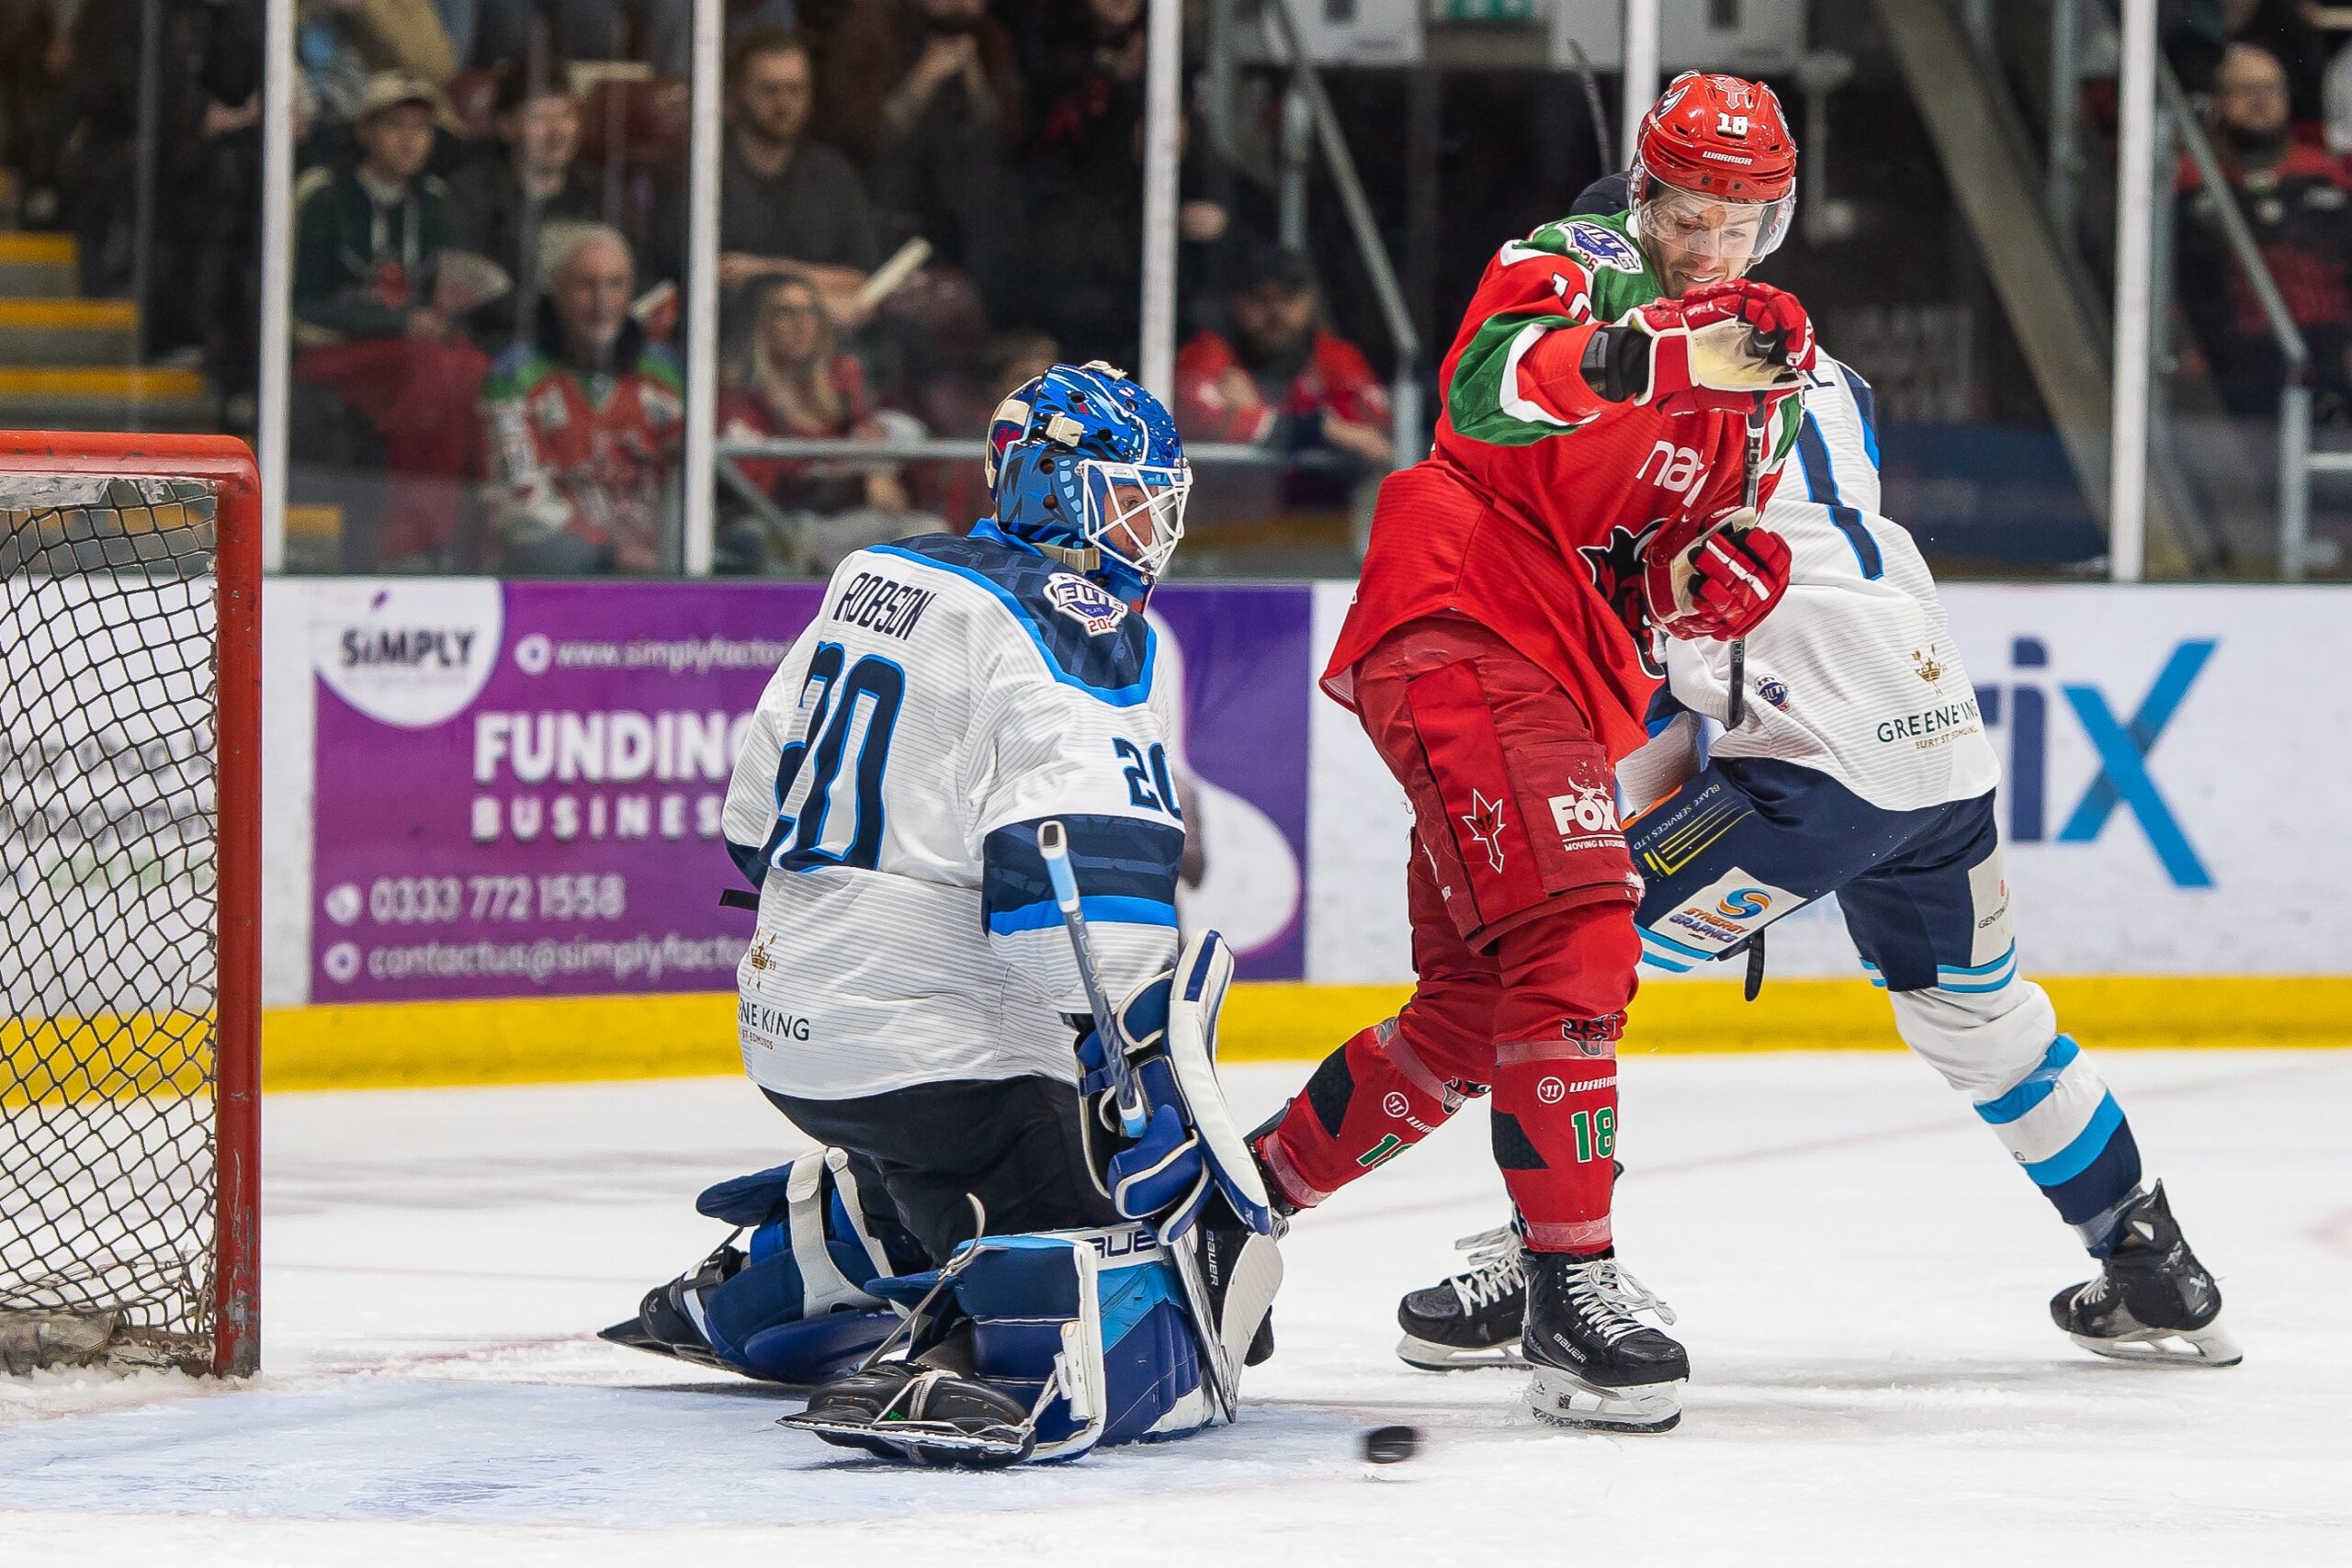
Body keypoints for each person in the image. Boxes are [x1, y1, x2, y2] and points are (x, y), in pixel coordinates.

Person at [1393, 348, 2239, 1379]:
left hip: (1812, 760)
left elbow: (1651, 617)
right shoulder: (1818, 364)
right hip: (1936, 734)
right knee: (1978, 1018)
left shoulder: (1623, 370)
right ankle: (2150, 1259)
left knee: (1558, 971)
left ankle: (1555, 1270)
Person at [1241, 73, 1814, 1436]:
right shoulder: (1571, 264)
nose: (1714, 245)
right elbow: (1491, 396)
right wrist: (1671, 344)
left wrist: (1711, 579)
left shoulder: (1772, 386)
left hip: (1565, 670)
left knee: (1470, 1008)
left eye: (1745, 222)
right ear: (1644, 193)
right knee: (1580, 929)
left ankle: (1219, 1214)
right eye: (1691, 210)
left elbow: (1669, 560)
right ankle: (1570, 1283)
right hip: (1467, 616)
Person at [602, 363, 1280, 1466]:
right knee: (1150, 1281)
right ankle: (974, 1356)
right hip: (931, 1051)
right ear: (1052, 490)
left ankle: (760, 1286)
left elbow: (750, 811)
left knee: (926, 1161)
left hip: (788, 1027)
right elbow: (1079, 894)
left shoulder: (877, 573)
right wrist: (1138, 1083)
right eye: (1127, 497)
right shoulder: (1081, 623)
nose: (1149, 530)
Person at [291, 69, 490, 566]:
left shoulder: (436, 203)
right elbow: (301, 305)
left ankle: (444, 533)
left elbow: (449, 291)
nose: (410, 139)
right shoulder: (324, 195)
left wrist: (445, 321)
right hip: (333, 353)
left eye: (421, 128)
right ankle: (417, 539)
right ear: (365, 131)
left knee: (472, 370)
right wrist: (399, 325)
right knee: (435, 372)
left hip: (412, 359)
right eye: (395, 125)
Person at [480, 222, 683, 571]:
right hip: (561, 561)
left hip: (655, 557)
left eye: (615, 285)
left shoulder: (663, 371)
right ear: (554, 290)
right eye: (586, 285)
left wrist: (664, 548)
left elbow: (686, 477)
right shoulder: (516, 374)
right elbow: (518, 494)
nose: (602, 302)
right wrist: (607, 550)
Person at [656, 28, 880, 329]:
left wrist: (761, 271)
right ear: (735, 93)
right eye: (769, 90)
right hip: (726, 334)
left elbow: (858, 278)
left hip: (820, 335)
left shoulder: (833, 173)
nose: (783, 104)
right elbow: (691, 272)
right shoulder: (702, 169)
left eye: (795, 90)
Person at [2177, 41, 2352, 420]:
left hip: (2330, 360)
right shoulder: (2191, 179)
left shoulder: (2325, 173)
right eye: (2245, 90)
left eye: (2271, 89)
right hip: (2231, 367)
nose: (2260, 100)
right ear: (2219, 101)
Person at [716, 272, 935, 571]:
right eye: (785, 312)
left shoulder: (839, 383)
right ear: (759, 323)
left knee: (927, 531)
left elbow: (869, 441)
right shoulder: (737, 397)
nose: (801, 323)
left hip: (838, 520)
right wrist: (851, 469)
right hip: (776, 522)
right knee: (785, 541)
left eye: (810, 312)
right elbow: (761, 488)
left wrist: (877, 468)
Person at [821, 0, 1022, 313]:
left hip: (970, 223)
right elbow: (859, 134)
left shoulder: (988, 37)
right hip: (888, 210)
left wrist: (973, 77)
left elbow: (1007, 134)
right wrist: (925, 78)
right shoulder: (873, 25)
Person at [1173, 245, 1394, 503]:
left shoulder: (1334, 357)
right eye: (1260, 299)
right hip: (1222, 524)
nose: (1275, 312)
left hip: (1319, 524)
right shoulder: (1207, 353)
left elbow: (1375, 438)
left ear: (1308, 301)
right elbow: (1196, 419)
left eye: (1288, 298)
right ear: (1236, 302)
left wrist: (1260, 415)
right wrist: (1318, 429)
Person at [447, 62, 605, 352]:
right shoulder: (471, 192)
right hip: (499, 349)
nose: (558, 131)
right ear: (506, 127)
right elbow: (469, 292)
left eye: (567, 115)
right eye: (540, 117)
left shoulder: (600, 192)